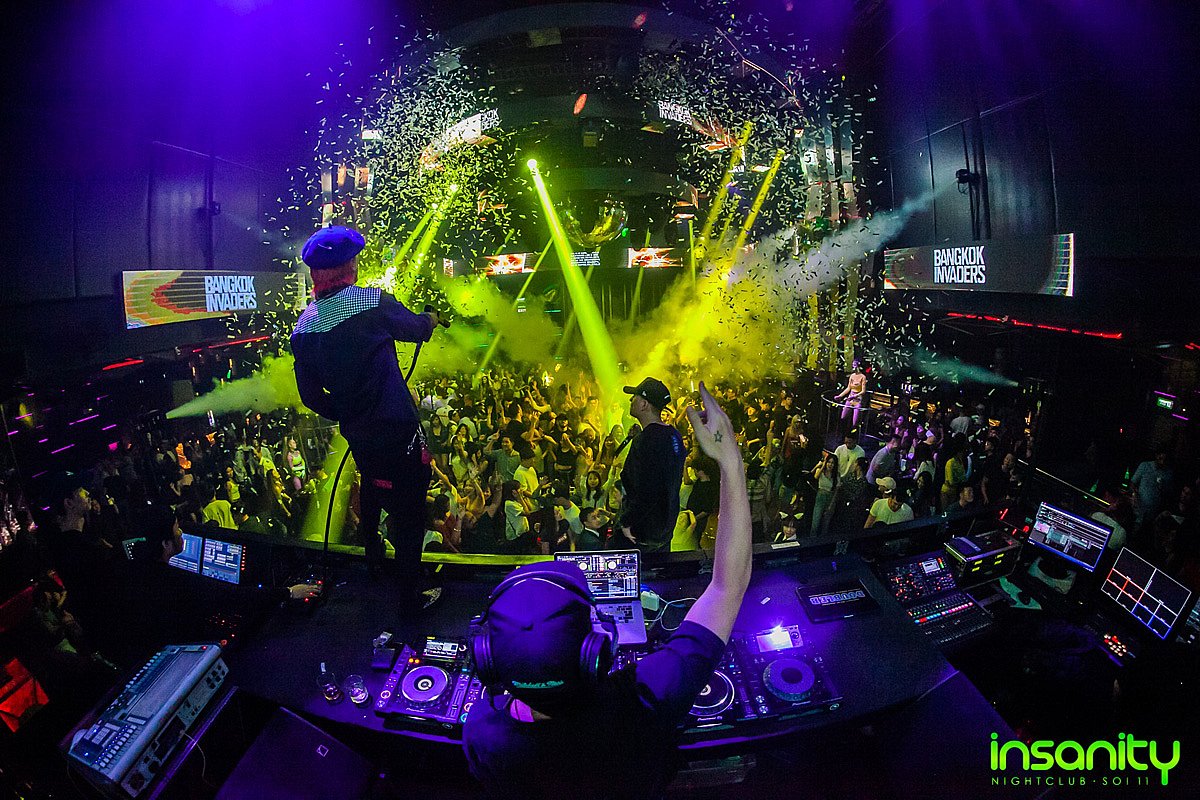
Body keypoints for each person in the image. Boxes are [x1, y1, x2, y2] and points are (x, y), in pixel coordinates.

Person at [463, 381, 751, 800]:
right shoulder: (645, 699)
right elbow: (728, 585)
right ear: (597, 650)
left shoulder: (482, 731)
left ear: (488, 659)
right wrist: (730, 462)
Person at [290, 226, 440, 610]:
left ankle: (373, 558)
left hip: (359, 435)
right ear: (351, 267)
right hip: (398, 431)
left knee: (373, 483)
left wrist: (347, 411)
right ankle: (411, 596)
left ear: (315, 275)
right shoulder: (371, 301)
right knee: (410, 512)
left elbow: (310, 397)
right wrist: (431, 317)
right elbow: (415, 329)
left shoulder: (303, 328)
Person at [617, 378, 686, 553]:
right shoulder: (674, 436)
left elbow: (647, 489)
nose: (631, 400)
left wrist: (627, 521)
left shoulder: (645, 441)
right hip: (664, 529)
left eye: (635, 397)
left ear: (644, 404)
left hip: (641, 532)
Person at [834, 360, 867, 429]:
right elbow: (848, 388)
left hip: (858, 399)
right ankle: (844, 432)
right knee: (843, 417)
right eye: (853, 366)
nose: (853, 367)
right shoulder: (852, 376)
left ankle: (854, 432)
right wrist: (840, 396)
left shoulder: (863, 377)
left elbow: (863, 391)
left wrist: (855, 396)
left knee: (855, 422)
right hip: (850, 398)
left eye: (855, 365)